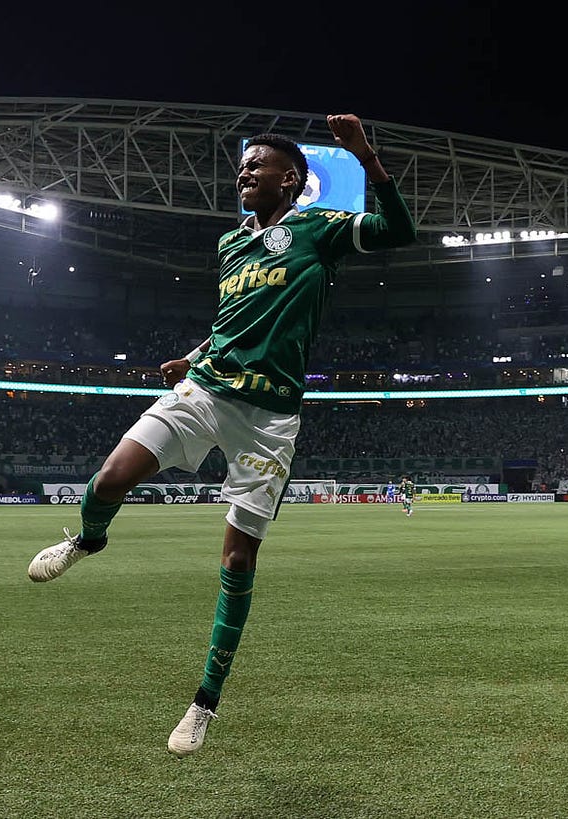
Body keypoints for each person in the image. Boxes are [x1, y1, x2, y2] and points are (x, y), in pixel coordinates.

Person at [25, 114, 415, 757]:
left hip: (269, 417)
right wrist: (193, 353)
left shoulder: (321, 232)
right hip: (205, 389)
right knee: (110, 478)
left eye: (256, 166)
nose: (244, 173)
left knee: (237, 560)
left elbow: (400, 230)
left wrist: (367, 158)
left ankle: (204, 703)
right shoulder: (231, 244)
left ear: (290, 180)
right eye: (244, 166)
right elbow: (233, 316)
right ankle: (89, 541)